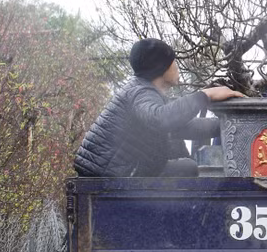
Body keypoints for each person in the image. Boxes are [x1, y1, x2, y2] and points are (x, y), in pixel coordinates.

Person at [73, 38, 244, 178]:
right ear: (161, 68)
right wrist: (206, 96)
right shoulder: (140, 92)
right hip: (110, 176)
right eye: (173, 62)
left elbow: (184, 126)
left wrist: (231, 124)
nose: (176, 67)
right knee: (187, 169)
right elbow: (161, 119)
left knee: (187, 167)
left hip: (119, 171)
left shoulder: (145, 91)